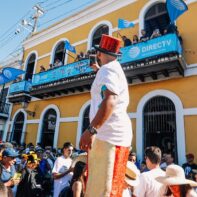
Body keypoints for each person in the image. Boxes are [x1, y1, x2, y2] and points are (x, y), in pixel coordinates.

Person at [80, 34, 132, 197]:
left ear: (99, 54)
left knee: (101, 191)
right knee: (109, 189)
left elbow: (110, 100)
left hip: (108, 138)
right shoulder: (111, 68)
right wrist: (98, 70)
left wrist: (91, 130)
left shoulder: (107, 69)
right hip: (113, 137)